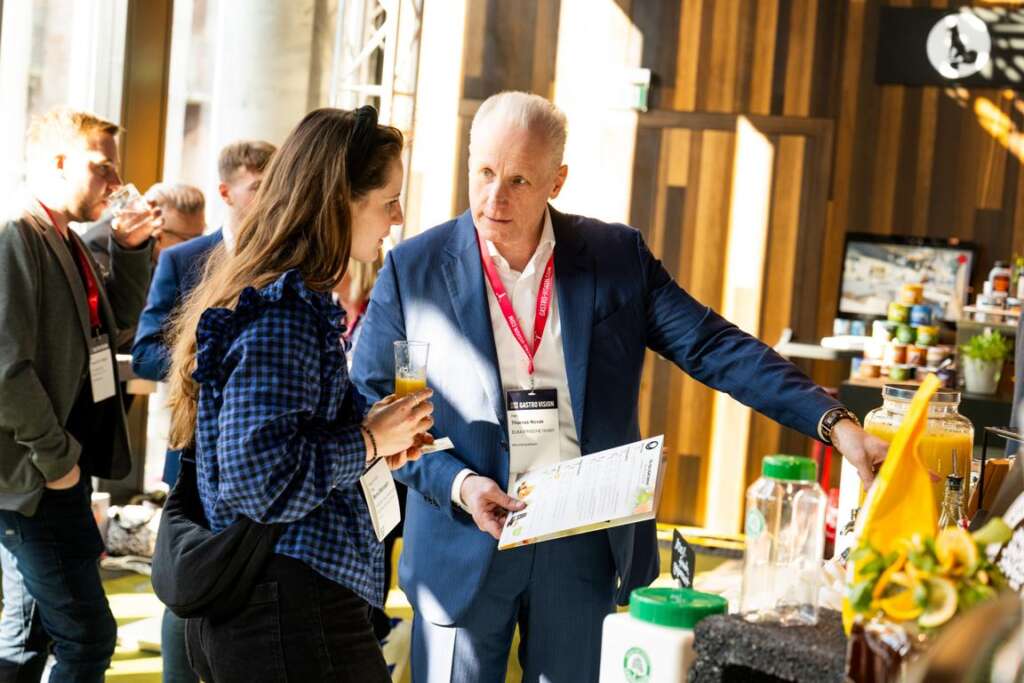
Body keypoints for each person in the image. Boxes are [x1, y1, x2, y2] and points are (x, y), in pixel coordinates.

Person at [350, 91, 890, 682]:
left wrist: (835, 423)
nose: (493, 198)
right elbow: (374, 400)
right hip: (464, 531)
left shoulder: (615, 256)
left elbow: (714, 346)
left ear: (557, 181)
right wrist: (458, 482)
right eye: (483, 172)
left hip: (581, 538)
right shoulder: (413, 268)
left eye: (518, 181)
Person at [163, 106, 433, 682]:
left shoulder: (283, 300)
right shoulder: (283, 314)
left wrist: (374, 437)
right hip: (287, 608)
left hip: (282, 604)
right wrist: (367, 440)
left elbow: (285, 441)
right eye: (388, 200)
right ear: (341, 200)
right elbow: (259, 480)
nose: (398, 216)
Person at [0, 107, 158, 682]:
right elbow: (4, 369)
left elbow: (116, 322)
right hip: (39, 475)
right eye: (102, 167)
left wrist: (132, 247)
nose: (115, 184)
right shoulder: (17, 232)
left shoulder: (63, 236)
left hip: (55, 468)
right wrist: (56, 460)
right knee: (88, 637)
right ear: (57, 161)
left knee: (26, 636)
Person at [130, 140, 274, 683]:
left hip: (259, 454)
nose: (270, 199)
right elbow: (146, 350)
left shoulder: (286, 264)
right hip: (194, 450)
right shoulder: (183, 260)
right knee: (190, 583)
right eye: (258, 187)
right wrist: (214, 358)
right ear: (226, 192)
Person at [83, 182, 205, 351]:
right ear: (156, 231)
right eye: (189, 239)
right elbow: (115, 331)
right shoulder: (99, 247)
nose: (198, 247)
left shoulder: (182, 261)